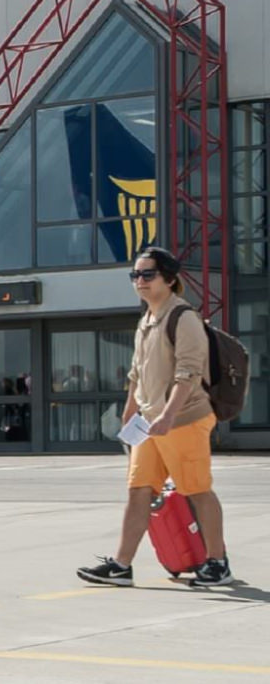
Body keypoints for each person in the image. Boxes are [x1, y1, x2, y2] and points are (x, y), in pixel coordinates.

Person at [77, 247, 234, 588]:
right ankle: (121, 566)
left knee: (197, 490)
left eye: (148, 275)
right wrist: (129, 414)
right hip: (150, 423)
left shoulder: (183, 317)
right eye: (135, 275)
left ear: (169, 279)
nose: (140, 281)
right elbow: (137, 375)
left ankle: (217, 562)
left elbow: (188, 374)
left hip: (185, 420)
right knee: (139, 491)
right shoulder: (147, 319)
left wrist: (168, 414)